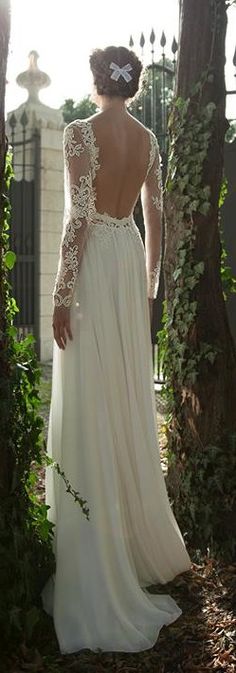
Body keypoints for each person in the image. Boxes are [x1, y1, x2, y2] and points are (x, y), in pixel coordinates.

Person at [42, 45, 191, 655]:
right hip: (127, 261)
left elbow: (79, 217)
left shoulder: (82, 132)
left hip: (96, 265)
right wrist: (151, 281)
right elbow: (156, 213)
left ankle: (96, 550)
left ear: (96, 80)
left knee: (90, 394)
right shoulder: (148, 138)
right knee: (125, 392)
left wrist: (59, 291)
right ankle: (131, 539)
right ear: (129, 84)